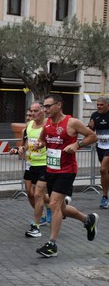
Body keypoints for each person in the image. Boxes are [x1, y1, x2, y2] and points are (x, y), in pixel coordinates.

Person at [34, 94, 99, 257]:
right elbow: (43, 141)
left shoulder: (72, 122)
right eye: (44, 106)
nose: (45, 109)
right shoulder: (47, 124)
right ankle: (87, 220)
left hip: (67, 170)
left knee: (54, 204)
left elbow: (92, 136)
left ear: (59, 105)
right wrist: (39, 144)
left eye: (48, 106)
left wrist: (77, 144)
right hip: (51, 169)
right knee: (61, 208)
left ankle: (52, 244)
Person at [11, 102, 49, 238]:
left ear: (43, 111)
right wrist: (19, 149)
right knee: (32, 193)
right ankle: (58, 205)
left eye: (35, 111)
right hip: (33, 164)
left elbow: (52, 142)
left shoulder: (48, 125)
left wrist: (43, 145)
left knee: (38, 194)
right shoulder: (29, 126)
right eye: (31, 111)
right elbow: (27, 144)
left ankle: (36, 226)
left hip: (46, 164)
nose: (33, 114)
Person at [88, 96, 109, 209]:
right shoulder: (94, 115)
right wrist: (90, 127)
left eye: (102, 105)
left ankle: (105, 197)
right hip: (100, 146)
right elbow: (90, 132)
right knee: (106, 172)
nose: (99, 107)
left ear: (107, 105)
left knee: (103, 170)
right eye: (98, 105)